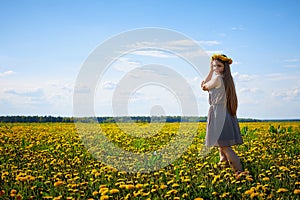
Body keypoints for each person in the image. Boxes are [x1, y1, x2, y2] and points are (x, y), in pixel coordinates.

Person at [201, 54, 248, 179]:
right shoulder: (226, 79)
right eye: (214, 65)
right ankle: (224, 171)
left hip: (218, 115)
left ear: (225, 67)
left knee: (225, 147)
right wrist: (213, 68)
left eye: (219, 66)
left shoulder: (216, 79)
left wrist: (210, 70)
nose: (216, 68)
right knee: (221, 148)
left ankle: (239, 172)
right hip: (225, 113)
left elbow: (204, 86)